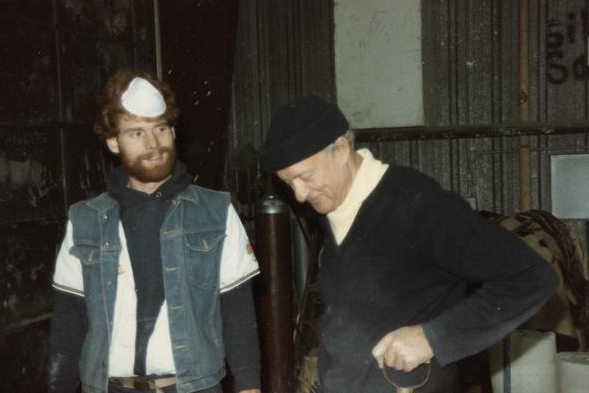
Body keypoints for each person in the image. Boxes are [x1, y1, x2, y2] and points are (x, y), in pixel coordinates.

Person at [259, 95, 559, 392]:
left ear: (340, 149)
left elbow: (531, 276)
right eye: (289, 183)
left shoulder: (417, 205)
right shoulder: (335, 206)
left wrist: (433, 338)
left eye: (306, 177)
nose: (299, 195)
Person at [47, 70, 262, 393]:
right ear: (112, 142)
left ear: (173, 132)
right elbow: (68, 323)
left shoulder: (216, 211)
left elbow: (238, 312)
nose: (153, 144)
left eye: (160, 128)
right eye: (136, 133)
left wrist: (250, 387)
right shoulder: (84, 221)